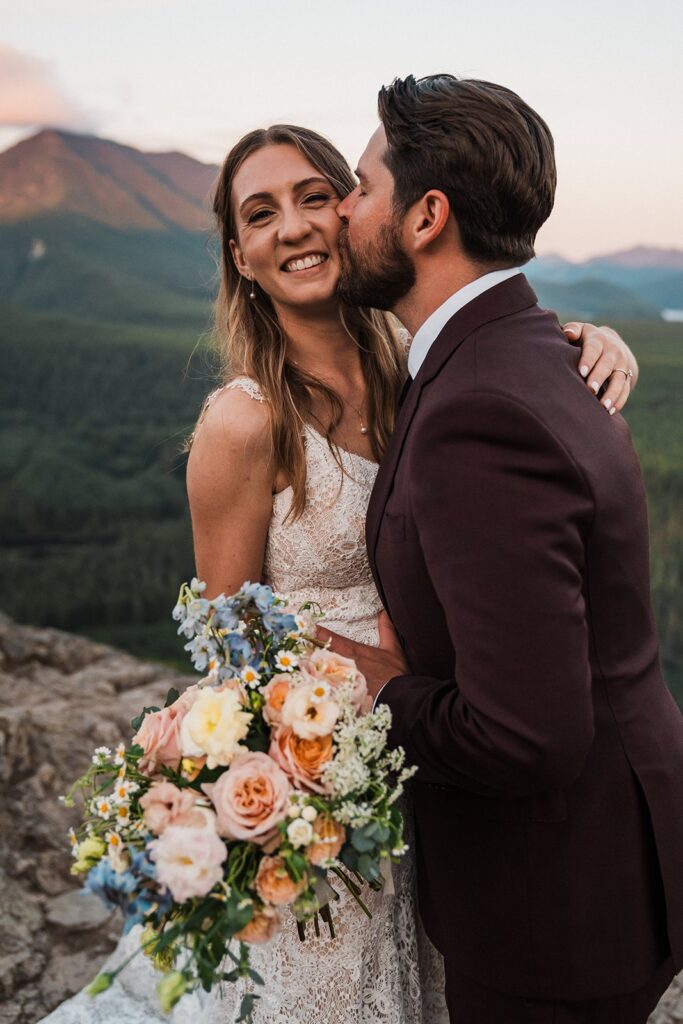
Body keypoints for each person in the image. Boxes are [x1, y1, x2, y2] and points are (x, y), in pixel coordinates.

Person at [39, 122, 639, 1024]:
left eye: (315, 196)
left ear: (359, 213)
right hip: (325, 778)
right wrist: (341, 670)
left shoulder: (420, 371)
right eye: (260, 214)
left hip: (444, 768)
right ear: (240, 257)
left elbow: (498, 364)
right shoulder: (244, 423)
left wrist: (594, 341)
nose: (293, 228)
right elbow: (228, 641)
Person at [316, 75, 683, 1024]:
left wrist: (371, 686)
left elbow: (527, 735)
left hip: (554, 911)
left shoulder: (480, 406)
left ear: (426, 215)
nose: (340, 210)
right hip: (600, 871)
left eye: (359, 186)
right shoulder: (525, 350)